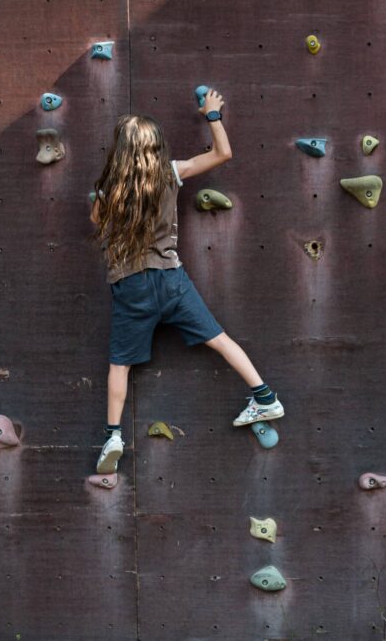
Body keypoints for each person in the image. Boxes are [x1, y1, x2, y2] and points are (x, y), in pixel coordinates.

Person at [89, 90, 283, 474]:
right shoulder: (171, 172)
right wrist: (212, 116)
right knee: (220, 339)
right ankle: (264, 396)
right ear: (157, 145)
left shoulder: (109, 191)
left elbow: (97, 221)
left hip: (131, 285)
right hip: (171, 279)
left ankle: (113, 435)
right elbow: (222, 154)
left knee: (120, 365)